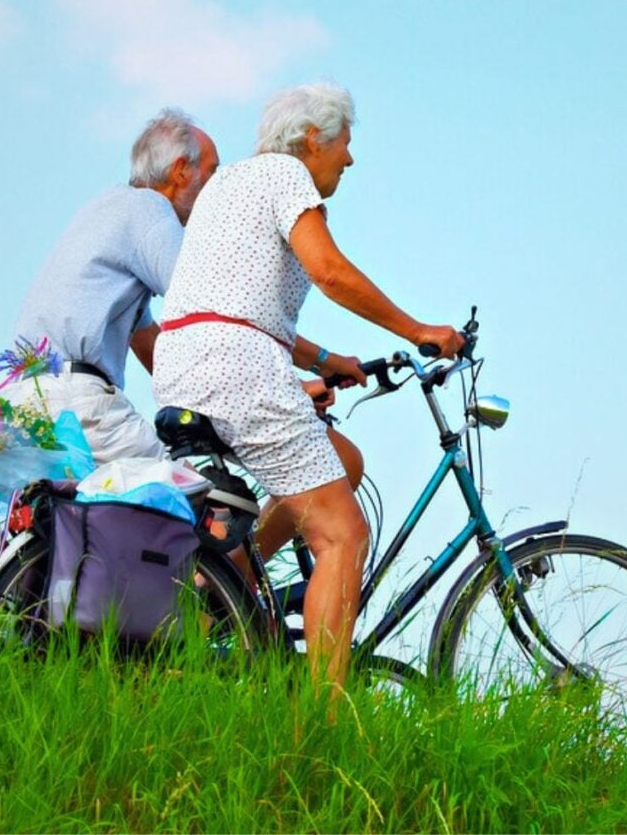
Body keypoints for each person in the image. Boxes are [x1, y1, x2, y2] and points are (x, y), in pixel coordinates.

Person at [152, 82, 464, 689]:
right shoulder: (286, 174)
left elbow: (235, 303)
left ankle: (231, 583)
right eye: (345, 142)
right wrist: (419, 330)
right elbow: (330, 271)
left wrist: (325, 361)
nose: (350, 158)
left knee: (342, 460)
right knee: (342, 535)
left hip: (187, 363)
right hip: (238, 367)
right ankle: (323, 719)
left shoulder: (229, 184)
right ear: (313, 138)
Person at [5, 109, 219, 462]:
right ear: (181, 170)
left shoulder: (108, 208)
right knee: (187, 489)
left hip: (26, 402)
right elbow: (212, 304)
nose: (216, 188)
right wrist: (283, 384)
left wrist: (212, 398)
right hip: (76, 401)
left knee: (85, 500)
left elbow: (149, 343)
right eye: (212, 172)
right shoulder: (150, 210)